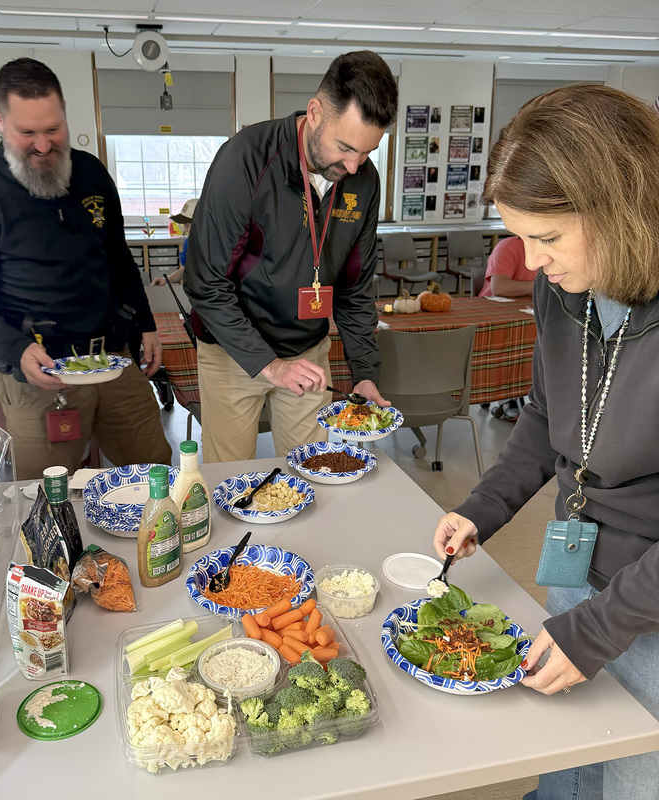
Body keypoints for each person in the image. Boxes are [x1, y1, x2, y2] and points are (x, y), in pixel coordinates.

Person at [432, 84, 659, 800]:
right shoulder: (562, 291)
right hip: (575, 573)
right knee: (565, 772)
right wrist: (482, 508)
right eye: (520, 238)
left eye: (549, 239)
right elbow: (544, 418)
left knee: (629, 781)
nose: (529, 264)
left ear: (620, 209)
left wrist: (601, 631)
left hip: (648, 602)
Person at [0, 57, 171, 479]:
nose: (43, 145)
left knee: (159, 474)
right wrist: (13, 349)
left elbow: (117, 255)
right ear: (0, 121)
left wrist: (145, 325)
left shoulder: (91, 174)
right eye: (28, 133)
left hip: (112, 358)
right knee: (47, 493)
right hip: (38, 370)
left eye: (53, 129)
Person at [184, 50, 399, 462]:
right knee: (227, 478)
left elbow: (354, 289)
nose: (354, 166)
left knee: (311, 470)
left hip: (306, 353)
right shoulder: (244, 159)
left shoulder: (363, 182)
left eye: (368, 153)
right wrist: (270, 365)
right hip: (234, 350)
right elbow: (205, 284)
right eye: (345, 147)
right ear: (314, 112)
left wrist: (366, 374)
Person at [151, 197, 197, 286]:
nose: (184, 231)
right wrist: (165, 280)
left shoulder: (220, 244)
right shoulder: (189, 243)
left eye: (187, 226)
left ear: (200, 223)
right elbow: (185, 270)